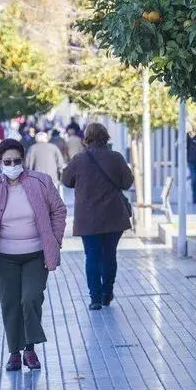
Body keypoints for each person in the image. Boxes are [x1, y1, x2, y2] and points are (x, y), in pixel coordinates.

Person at [0, 139, 67, 372]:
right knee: (10, 303)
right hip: (5, 255)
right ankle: (15, 353)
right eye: (7, 161)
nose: (13, 165)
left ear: (24, 160)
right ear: (0, 162)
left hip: (35, 253)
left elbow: (58, 210)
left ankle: (30, 348)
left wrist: (55, 240)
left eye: (17, 160)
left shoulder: (41, 182)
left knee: (30, 299)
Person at [62, 123, 134, 310]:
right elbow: (127, 182)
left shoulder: (79, 160)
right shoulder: (116, 158)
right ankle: (106, 293)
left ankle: (94, 298)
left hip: (88, 218)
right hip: (114, 216)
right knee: (110, 256)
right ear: (106, 137)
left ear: (87, 138)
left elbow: (66, 181)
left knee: (92, 256)